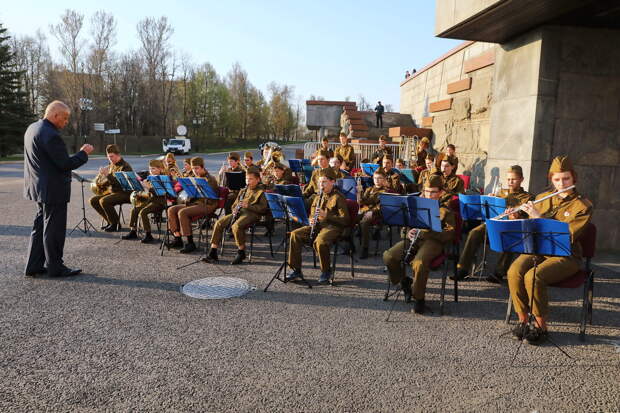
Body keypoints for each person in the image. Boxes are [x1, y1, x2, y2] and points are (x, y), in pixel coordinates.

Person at [507, 156, 593, 345]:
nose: (561, 183)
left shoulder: (583, 206)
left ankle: (540, 327)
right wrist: (516, 218)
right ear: (551, 179)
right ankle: (523, 321)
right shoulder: (541, 199)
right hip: (539, 249)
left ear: (574, 179)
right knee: (514, 271)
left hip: (566, 254)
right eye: (557, 179)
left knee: (533, 277)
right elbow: (530, 226)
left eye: (566, 179)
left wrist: (540, 217)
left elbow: (569, 233)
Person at [24, 100, 94, 278]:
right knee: (53, 230)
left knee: (40, 226)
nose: (66, 122)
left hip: (39, 188)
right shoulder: (50, 134)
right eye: (65, 118)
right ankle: (56, 267)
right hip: (53, 190)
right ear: (55, 115)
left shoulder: (33, 128)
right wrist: (83, 153)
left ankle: (34, 265)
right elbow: (65, 164)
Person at [382, 174, 456, 313]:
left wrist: (428, 233)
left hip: (434, 242)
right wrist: (407, 233)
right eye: (427, 191)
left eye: (433, 192)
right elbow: (405, 225)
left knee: (419, 263)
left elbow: (450, 234)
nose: (429, 195)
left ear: (440, 193)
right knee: (389, 256)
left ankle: (419, 299)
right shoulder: (416, 205)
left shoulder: (445, 210)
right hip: (415, 239)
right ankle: (405, 283)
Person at [453, 165, 534, 283]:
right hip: (495, 224)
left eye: (514, 179)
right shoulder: (501, 192)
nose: (510, 182)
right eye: (508, 179)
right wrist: (489, 201)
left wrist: (516, 215)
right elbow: (490, 211)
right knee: (474, 232)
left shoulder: (527, 197)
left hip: (511, 228)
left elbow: (527, 219)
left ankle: (499, 272)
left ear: (521, 179)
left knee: (512, 237)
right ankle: (462, 269)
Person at [287, 170, 350, 284]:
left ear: (332, 182)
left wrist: (327, 215)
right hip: (317, 226)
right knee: (295, 234)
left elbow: (345, 220)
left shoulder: (338, 197)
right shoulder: (317, 196)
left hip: (333, 227)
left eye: (324, 182)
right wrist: (311, 219)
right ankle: (295, 269)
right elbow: (312, 212)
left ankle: (326, 271)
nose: (321, 185)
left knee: (320, 241)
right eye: (320, 182)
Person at [204, 171, 268, 265]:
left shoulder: (261, 192)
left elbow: (263, 209)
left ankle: (241, 251)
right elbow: (234, 204)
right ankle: (213, 251)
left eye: (251, 179)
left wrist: (248, 206)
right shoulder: (243, 190)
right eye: (247, 179)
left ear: (258, 180)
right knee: (219, 223)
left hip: (252, 214)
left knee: (236, 226)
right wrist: (234, 209)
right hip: (239, 212)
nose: (248, 181)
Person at [166, 157, 219, 253]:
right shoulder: (194, 178)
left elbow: (212, 197)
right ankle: (177, 238)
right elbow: (192, 195)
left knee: (183, 212)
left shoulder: (210, 179)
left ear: (203, 167)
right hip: (195, 203)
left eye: (197, 168)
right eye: (193, 168)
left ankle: (190, 243)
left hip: (208, 204)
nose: (195, 171)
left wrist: (198, 188)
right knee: (171, 210)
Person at [121, 159, 168, 243]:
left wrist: (149, 187)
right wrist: (141, 187)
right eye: (150, 169)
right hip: (149, 200)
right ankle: (133, 231)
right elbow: (147, 192)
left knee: (143, 212)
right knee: (134, 210)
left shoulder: (163, 178)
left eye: (153, 169)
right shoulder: (150, 178)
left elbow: (161, 193)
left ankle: (148, 234)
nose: (151, 171)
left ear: (160, 169)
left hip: (159, 202)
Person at [89, 144, 133, 232]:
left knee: (104, 201)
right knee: (93, 200)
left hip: (125, 193)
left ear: (118, 155)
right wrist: (101, 181)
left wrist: (107, 175)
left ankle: (115, 224)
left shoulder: (125, 166)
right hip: (114, 192)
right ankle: (110, 221)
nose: (110, 159)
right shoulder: (112, 165)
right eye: (108, 157)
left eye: (112, 156)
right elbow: (110, 182)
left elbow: (121, 184)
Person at [358, 170, 388, 259]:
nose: (377, 180)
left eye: (379, 178)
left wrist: (372, 211)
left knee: (364, 222)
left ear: (384, 179)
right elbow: (362, 202)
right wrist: (359, 193)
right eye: (375, 178)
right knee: (350, 217)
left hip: (378, 213)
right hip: (366, 210)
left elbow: (381, 206)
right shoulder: (369, 189)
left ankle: (365, 248)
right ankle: (348, 242)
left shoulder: (386, 191)